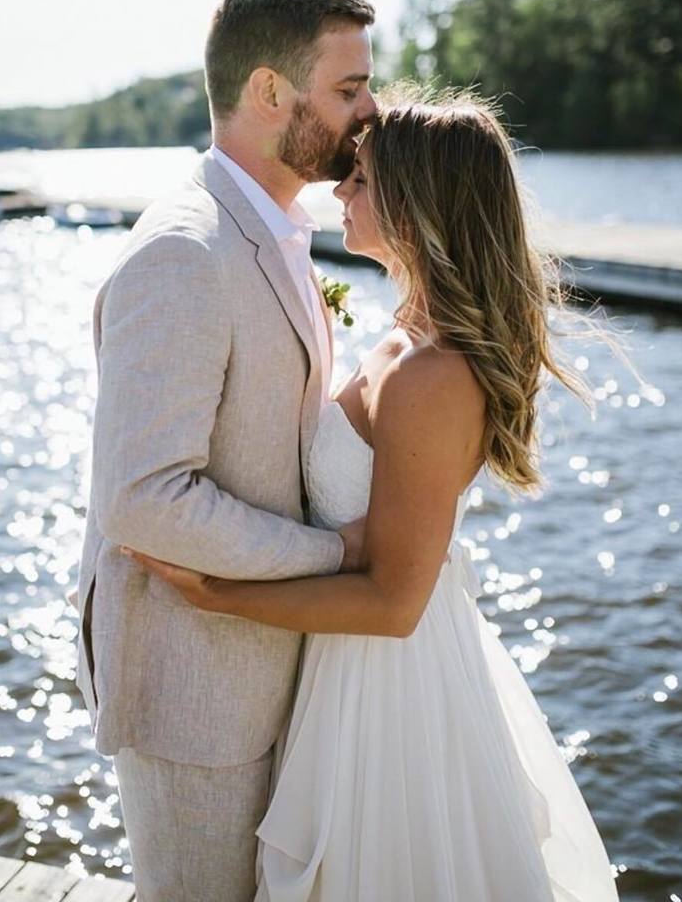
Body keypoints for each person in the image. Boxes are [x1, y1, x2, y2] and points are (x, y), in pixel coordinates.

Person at [123, 90, 621, 901]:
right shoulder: (402, 340)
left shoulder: (431, 376)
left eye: (360, 178)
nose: (339, 190)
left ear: (416, 205)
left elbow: (393, 605)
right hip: (341, 664)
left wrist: (219, 595)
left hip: (387, 690)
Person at [72, 0, 377, 902]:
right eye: (349, 88)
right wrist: (336, 556)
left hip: (272, 663)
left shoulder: (272, 228)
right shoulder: (184, 251)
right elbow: (143, 498)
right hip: (195, 689)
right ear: (269, 90)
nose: (370, 112)